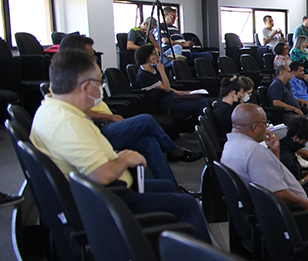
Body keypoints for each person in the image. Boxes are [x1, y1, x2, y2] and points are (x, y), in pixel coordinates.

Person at [29, 50, 211, 242]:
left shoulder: (51, 108)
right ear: (85, 88)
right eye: (100, 82)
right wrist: (125, 160)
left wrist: (118, 158)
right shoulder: (67, 123)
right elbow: (101, 175)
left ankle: (171, 247)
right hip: (106, 202)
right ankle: (201, 260)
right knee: (188, 206)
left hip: (100, 192)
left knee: (165, 184)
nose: (102, 88)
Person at [58, 35, 199, 184]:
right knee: (146, 120)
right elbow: (77, 111)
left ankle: (170, 187)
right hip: (100, 129)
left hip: (107, 124)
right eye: (91, 56)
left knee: (150, 143)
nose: (94, 60)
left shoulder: (81, 79)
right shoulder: (68, 84)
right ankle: (174, 151)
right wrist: (109, 117)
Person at [220, 103, 308, 214]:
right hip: (290, 212)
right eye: (265, 124)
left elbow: (272, 177)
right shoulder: (254, 150)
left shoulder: (229, 146)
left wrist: (274, 152)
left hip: (259, 210)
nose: (267, 128)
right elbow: (278, 193)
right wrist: (307, 204)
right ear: (255, 127)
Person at [134, 44, 209, 116]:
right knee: (202, 102)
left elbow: (164, 86)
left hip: (169, 97)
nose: (158, 56)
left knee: (200, 98)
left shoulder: (153, 69)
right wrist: (162, 70)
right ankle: (205, 124)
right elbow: (166, 88)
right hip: (163, 103)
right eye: (155, 54)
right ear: (148, 57)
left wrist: (180, 92)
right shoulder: (144, 75)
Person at [211, 75, 252, 139]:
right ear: (233, 93)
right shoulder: (229, 111)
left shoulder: (222, 107)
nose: (240, 97)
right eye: (239, 95)